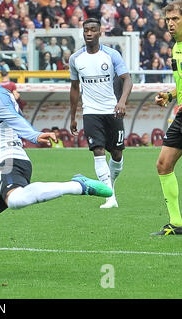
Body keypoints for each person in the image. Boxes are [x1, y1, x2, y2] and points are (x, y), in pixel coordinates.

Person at [0, 53, 113, 280]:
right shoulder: (2, 94)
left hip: (11, 161)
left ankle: (77, 185)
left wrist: (35, 135)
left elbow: (14, 119)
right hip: (2, 168)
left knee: (17, 200)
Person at [69, 18, 133, 209]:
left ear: (99, 33)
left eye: (92, 30)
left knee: (117, 154)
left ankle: (110, 185)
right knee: (97, 151)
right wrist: (73, 116)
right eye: (86, 30)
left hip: (112, 110)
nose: (88, 33)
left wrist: (122, 102)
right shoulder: (76, 59)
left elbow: (127, 79)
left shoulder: (112, 55)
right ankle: (109, 197)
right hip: (90, 112)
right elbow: (74, 88)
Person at [151, 1, 182, 236]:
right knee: (163, 164)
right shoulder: (176, 48)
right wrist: (170, 95)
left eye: (176, 19)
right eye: (168, 20)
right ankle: (176, 223)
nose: (171, 24)